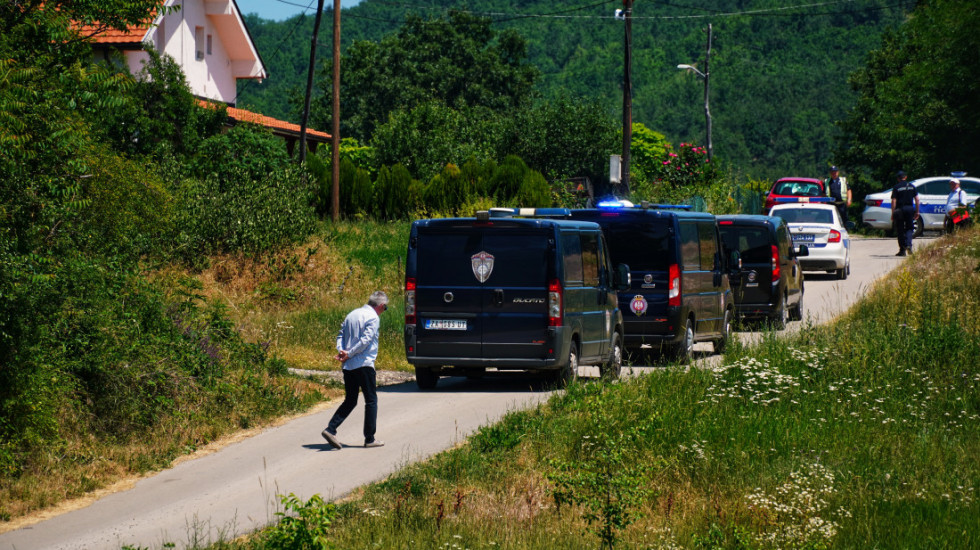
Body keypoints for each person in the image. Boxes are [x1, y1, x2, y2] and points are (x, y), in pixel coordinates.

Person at [321, 291, 388, 449]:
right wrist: (349, 353)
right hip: (364, 363)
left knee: (351, 399)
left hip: (348, 365)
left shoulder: (352, 314)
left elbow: (341, 335)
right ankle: (369, 439)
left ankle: (331, 429)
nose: (384, 310)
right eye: (385, 308)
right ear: (380, 305)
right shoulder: (373, 318)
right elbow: (366, 340)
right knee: (371, 400)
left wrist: (342, 351)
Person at [890, 170, 919, 256]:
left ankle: (902, 250)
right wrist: (917, 211)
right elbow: (917, 200)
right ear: (905, 177)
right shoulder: (912, 186)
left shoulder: (896, 187)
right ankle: (909, 245)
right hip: (910, 209)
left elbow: (894, 201)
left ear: (898, 179)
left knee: (900, 229)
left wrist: (893, 213)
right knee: (909, 228)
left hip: (900, 210)